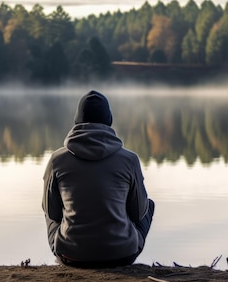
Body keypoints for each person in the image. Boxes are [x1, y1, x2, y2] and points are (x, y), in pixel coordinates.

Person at [42, 90, 155, 268]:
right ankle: (118, 243)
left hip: (71, 256)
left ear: (76, 121)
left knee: (49, 211)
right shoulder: (129, 160)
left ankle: (71, 244)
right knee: (148, 205)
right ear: (109, 120)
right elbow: (138, 213)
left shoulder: (57, 159)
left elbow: (53, 213)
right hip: (122, 255)